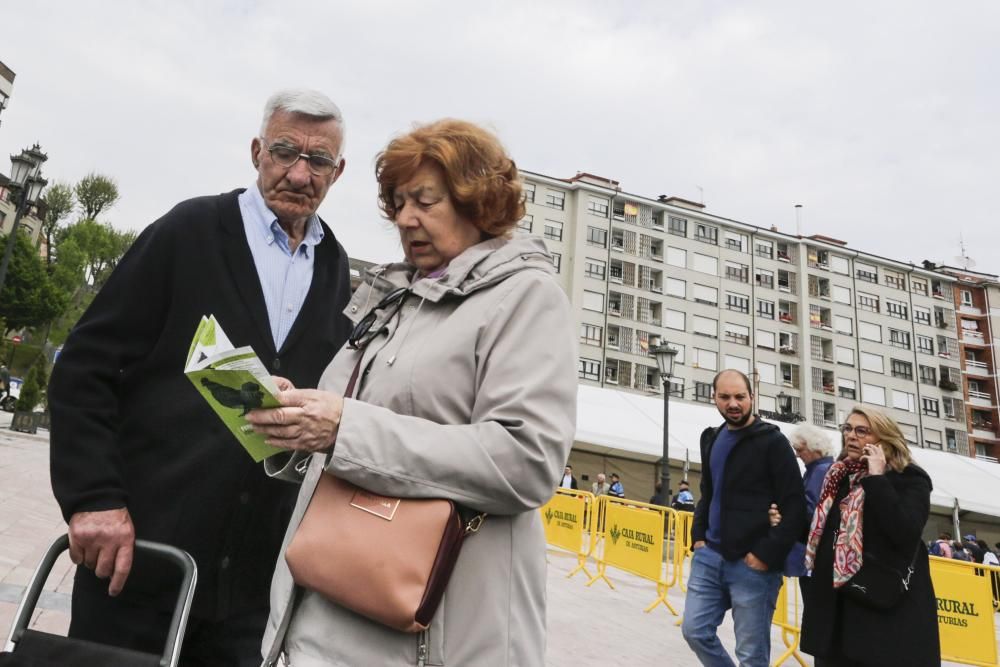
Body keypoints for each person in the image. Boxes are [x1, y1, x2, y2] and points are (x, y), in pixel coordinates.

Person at [248, 119, 577, 666]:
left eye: (425, 201)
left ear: (480, 203)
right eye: (398, 202)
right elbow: (350, 436)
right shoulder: (395, 295)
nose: (404, 219)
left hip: (431, 636)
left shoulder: (526, 298)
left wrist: (343, 428)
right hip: (323, 616)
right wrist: (296, 422)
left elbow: (526, 460)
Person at [47, 89, 354, 665]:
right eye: (285, 152)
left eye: (317, 161)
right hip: (139, 561)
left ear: (338, 172)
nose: (298, 172)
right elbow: (86, 367)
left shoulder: (336, 269)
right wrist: (93, 500)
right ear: (257, 151)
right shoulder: (190, 231)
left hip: (247, 594)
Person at [795, 406, 939, 667]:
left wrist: (876, 479)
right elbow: (828, 536)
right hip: (836, 611)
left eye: (862, 431)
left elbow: (904, 532)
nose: (851, 436)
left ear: (884, 439)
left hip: (881, 610)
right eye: (848, 428)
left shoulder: (910, 479)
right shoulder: (839, 477)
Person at [681, 370, 806, 667]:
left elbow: (796, 507)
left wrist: (764, 554)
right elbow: (708, 491)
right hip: (709, 557)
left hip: (753, 566)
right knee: (695, 631)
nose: (733, 403)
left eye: (740, 396)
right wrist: (698, 536)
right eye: (725, 397)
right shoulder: (712, 438)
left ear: (752, 397)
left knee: (751, 655)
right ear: (714, 398)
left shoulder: (773, 442)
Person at [781, 423, 836, 578]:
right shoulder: (823, 469)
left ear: (815, 448)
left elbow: (809, 511)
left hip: (808, 554)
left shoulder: (819, 471)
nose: (797, 455)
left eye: (800, 450)